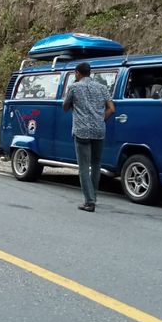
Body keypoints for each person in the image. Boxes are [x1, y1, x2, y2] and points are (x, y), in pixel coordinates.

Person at [63, 62, 115, 212]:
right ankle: (93, 197)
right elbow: (112, 109)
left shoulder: (74, 87)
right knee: (96, 164)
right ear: (89, 73)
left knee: (84, 167)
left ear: (77, 73)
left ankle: (89, 202)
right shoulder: (102, 87)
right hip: (99, 131)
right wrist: (100, 120)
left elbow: (65, 107)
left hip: (82, 131)